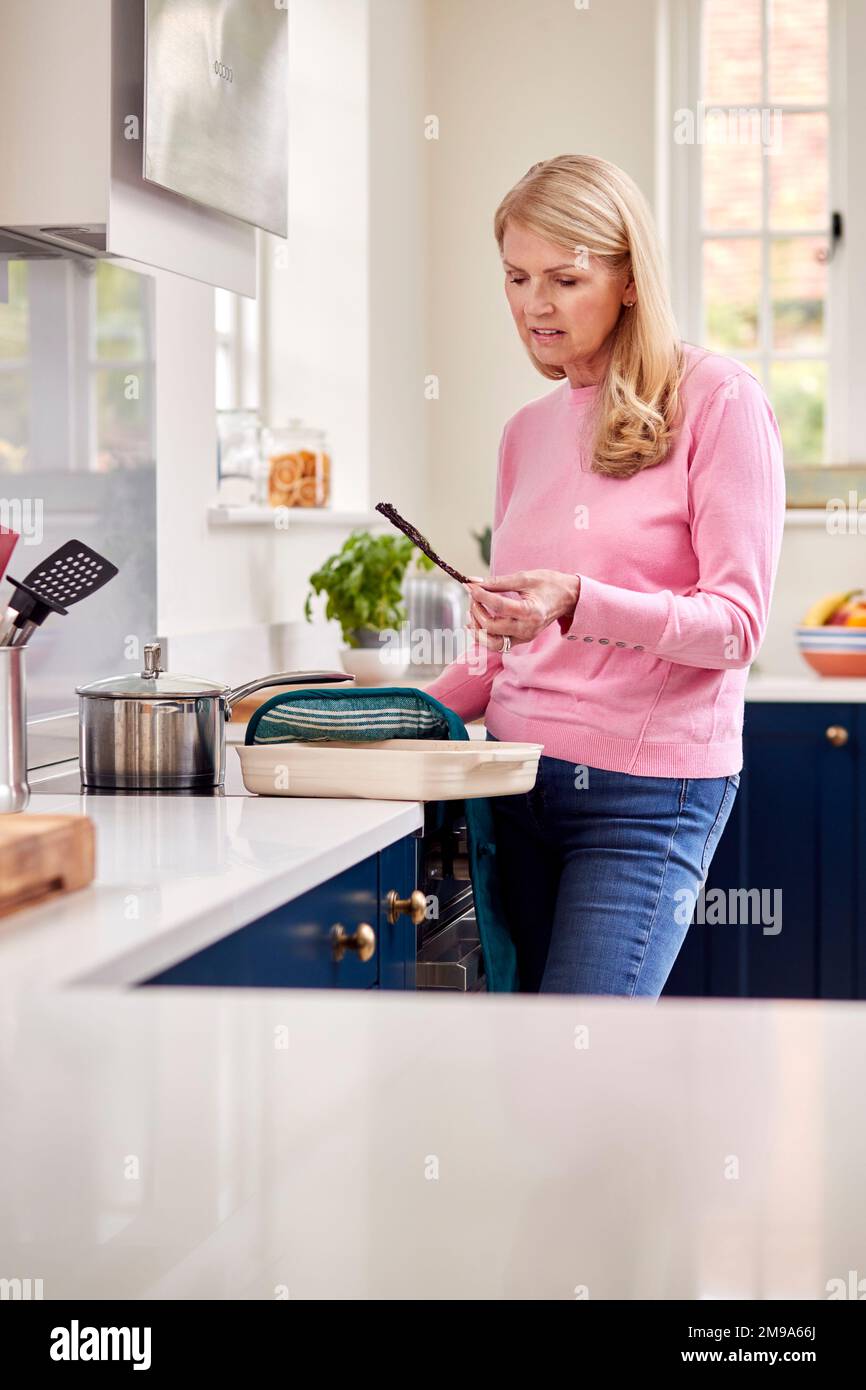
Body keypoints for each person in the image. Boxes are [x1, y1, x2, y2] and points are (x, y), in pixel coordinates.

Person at [425, 154, 786, 997]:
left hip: (647, 801)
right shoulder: (526, 432)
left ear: (628, 279)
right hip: (512, 781)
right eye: (516, 277)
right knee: (522, 1074)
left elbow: (735, 625)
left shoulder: (721, 401)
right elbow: (502, 646)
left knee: (582, 1065)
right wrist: (392, 716)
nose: (533, 304)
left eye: (564, 278)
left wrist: (579, 601)